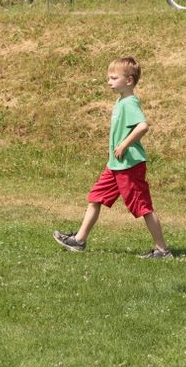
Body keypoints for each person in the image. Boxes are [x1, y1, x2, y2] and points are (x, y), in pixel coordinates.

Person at [53, 57, 171, 259]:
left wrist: (124, 145)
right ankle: (79, 241)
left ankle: (162, 250)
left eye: (114, 78)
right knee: (96, 198)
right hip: (115, 165)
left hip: (129, 166)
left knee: (143, 207)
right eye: (108, 78)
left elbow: (143, 126)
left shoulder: (130, 103)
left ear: (129, 80)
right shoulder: (120, 102)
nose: (109, 82)